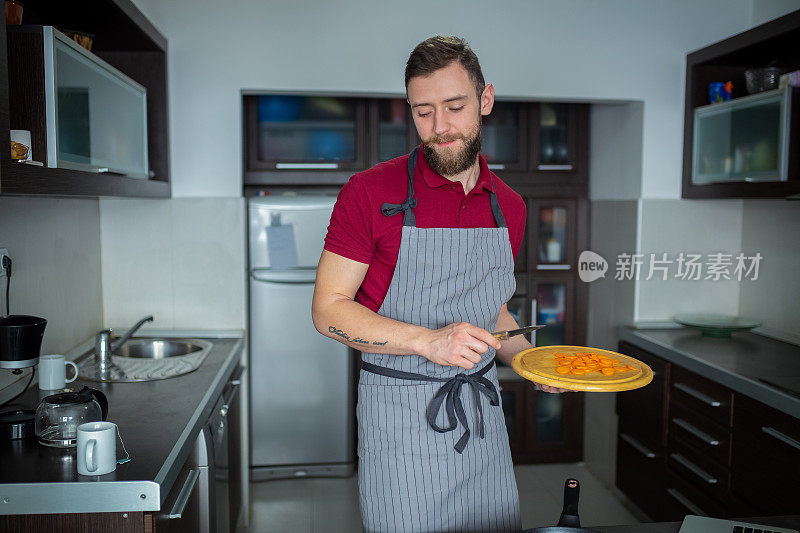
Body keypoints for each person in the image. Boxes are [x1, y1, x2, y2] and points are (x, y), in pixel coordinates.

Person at [312, 35, 564, 533]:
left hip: (482, 417)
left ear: (485, 100)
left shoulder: (508, 206)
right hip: (401, 422)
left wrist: (531, 361)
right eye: (423, 111)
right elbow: (328, 310)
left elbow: (493, 312)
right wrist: (429, 341)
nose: (440, 127)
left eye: (455, 106)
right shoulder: (369, 192)